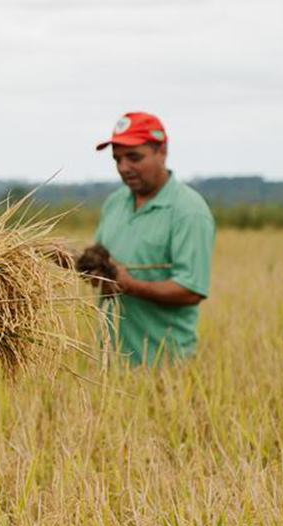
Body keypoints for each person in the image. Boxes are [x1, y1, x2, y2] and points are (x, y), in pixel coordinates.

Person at [89, 111, 215, 366]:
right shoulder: (115, 204)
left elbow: (191, 290)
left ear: (162, 152)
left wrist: (130, 285)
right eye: (118, 159)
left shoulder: (188, 211)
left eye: (134, 157)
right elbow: (99, 265)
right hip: (110, 363)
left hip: (164, 367)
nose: (124, 168)